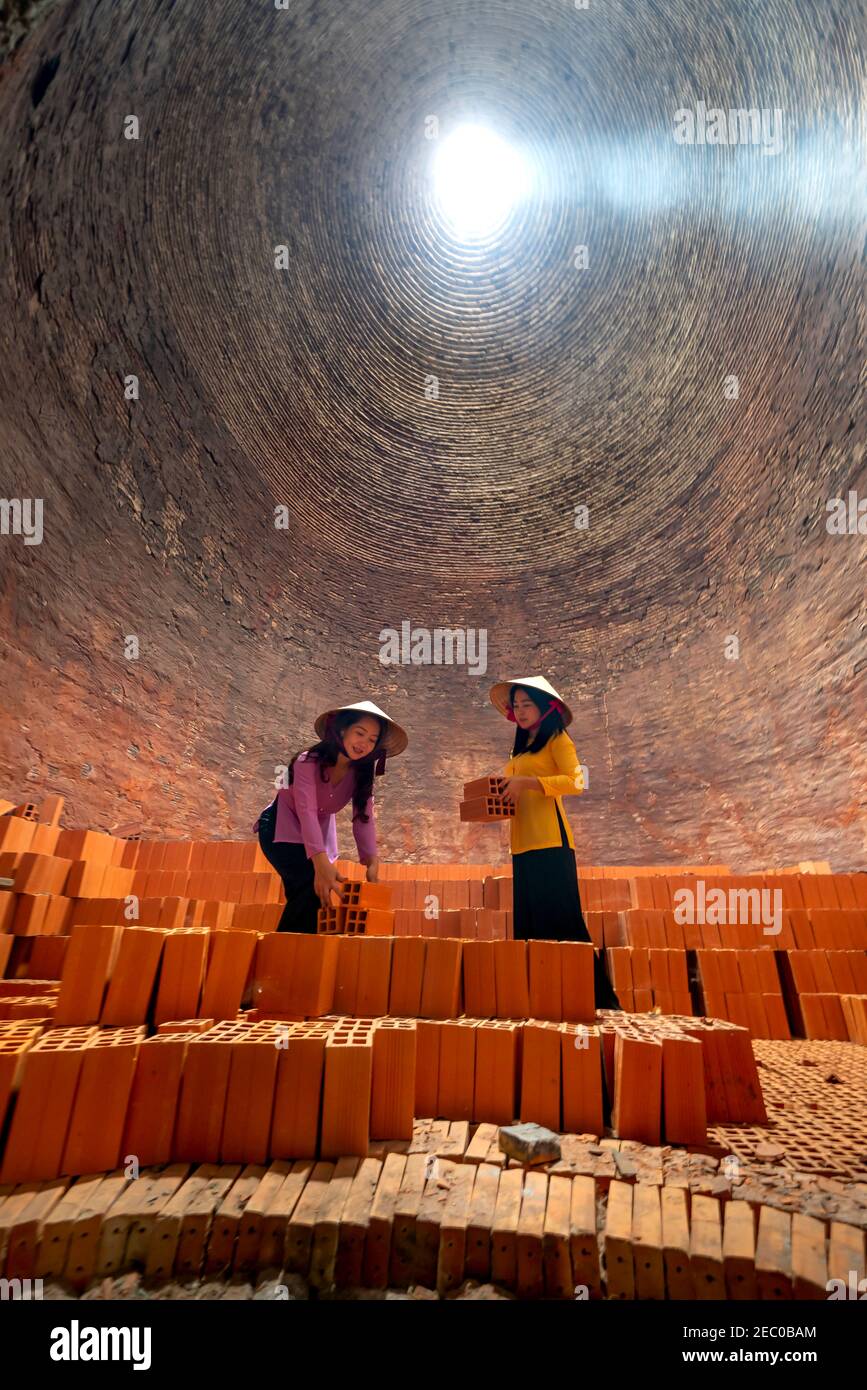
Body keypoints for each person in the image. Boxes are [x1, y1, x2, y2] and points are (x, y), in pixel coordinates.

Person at [490, 675, 621, 1009]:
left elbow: (577, 781)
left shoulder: (558, 739)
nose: (520, 711)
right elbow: (515, 787)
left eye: (526, 704)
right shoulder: (518, 748)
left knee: (564, 923)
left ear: (545, 707)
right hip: (522, 845)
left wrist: (528, 783)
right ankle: (542, 1001)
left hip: (551, 843)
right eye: (515, 705)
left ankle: (600, 1002)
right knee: (530, 925)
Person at [252, 699, 408, 933]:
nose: (364, 743)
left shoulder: (361, 774)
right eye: (360, 733)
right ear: (342, 729)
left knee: (315, 897)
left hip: (314, 837)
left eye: (372, 740)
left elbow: (363, 817)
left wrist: (371, 859)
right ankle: (281, 958)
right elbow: (306, 812)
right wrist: (321, 862)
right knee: (308, 886)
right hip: (279, 829)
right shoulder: (307, 762)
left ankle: (300, 955)